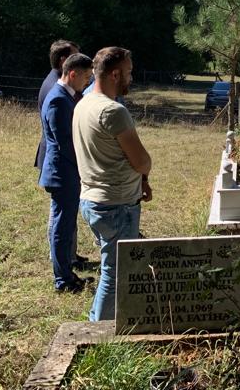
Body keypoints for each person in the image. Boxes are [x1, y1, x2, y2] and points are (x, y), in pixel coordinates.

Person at [73, 46, 152, 321]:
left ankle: (97, 321)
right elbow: (141, 160)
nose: (131, 78)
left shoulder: (83, 104)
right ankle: (98, 332)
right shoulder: (113, 111)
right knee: (115, 273)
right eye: (129, 72)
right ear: (115, 74)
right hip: (116, 204)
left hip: (92, 199)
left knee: (111, 266)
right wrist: (146, 170)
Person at [39, 53, 94, 293]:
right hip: (62, 172)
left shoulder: (66, 96)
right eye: (86, 77)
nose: (88, 82)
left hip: (66, 171)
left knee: (65, 224)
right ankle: (62, 280)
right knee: (62, 227)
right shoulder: (59, 100)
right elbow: (65, 143)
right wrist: (85, 166)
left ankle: (65, 273)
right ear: (72, 74)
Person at [36, 39, 79, 170]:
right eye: (75, 57)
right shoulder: (56, 88)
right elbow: (63, 137)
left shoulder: (56, 81)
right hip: (60, 161)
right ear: (63, 61)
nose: (80, 61)